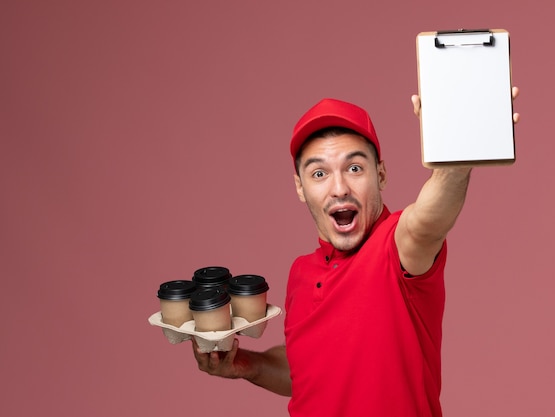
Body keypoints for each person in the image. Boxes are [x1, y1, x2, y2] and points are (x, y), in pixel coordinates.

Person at [192, 89, 520, 416]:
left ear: (380, 174)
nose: (339, 188)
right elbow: (306, 371)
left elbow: (427, 222)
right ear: (300, 187)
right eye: (319, 173)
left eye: (354, 169)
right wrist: (249, 364)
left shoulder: (396, 246)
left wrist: (456, 161)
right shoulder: (300, 273)